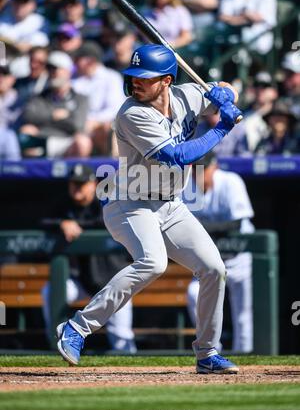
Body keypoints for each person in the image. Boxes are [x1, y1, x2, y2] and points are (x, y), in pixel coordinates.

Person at [56, 43, 242, 374]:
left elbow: (225, 91)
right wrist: (221, 128)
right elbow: (177, 156)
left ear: (167, 80)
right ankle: (77, 327)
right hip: (130, 203)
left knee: (215, 269)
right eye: (133, 76)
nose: (136, 83)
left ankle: (207, 353)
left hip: (171, 205)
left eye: (146, 78)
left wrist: (224, 93)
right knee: (153, 263)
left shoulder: (187, 95)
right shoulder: (131, 114)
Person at [42, 163, 136, 353]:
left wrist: (76, 225)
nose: (77, 187)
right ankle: (56, 344)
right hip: (81, 281)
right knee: (50, 290)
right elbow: (41, 220)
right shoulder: (64, 205)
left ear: (94, 184)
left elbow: (103, 222)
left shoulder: (106, 201)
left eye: (82, 183)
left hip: (112, 283)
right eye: (74, 183)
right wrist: (62, 223)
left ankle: (129, 367)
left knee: (122, 340)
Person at [185, 152, 254, 353]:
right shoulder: (187, 188)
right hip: (210, 260)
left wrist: (202, 227)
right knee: (193, 294)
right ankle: (212, 349)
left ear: (214, 167)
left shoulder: (231, 182)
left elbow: (235, 223)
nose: (198, 174)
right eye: (194, 169)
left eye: (202, 169)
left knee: (243, 313)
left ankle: (246, 354)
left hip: (238, 256)